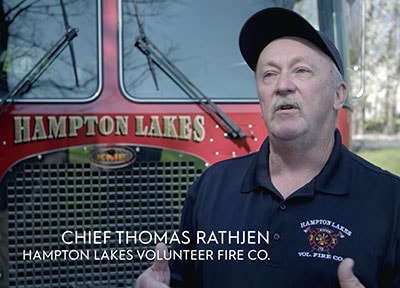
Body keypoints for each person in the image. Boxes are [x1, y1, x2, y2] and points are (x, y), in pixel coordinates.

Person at [135, 7, 400, 288]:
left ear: (339, 94)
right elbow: (181, 278)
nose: (282, 85)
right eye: (269, 74)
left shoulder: (391, 202)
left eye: (301, 70)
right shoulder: (211, 187)